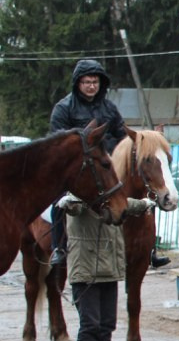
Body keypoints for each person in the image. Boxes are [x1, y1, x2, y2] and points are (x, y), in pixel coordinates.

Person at [58, 192, 152, 341]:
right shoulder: (79, 195)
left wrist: (145, 203)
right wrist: (68, 202)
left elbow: (127, 203)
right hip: (86, 271)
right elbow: (74, 206)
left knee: (107, 322)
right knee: (90, 323)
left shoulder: (111, 197)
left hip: (109, 270)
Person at [48, 59, 128, 268]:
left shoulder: (109, 108)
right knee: (60, 200)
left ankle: (149, 247)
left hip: (107, 166)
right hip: (75, 170)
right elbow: (58, 143)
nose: (92, 86)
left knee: (138, 193)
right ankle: (59, 247)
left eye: (95, 82)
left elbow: (122, 135)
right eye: (87, 82)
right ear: (78, 83)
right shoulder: (63, 108)